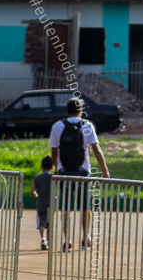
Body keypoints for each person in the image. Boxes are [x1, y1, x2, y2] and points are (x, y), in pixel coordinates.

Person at [49, 97, 110, 251]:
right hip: (83, 172)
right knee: (85, 206)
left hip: (64, 173)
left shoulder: (57, 126)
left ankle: (67, 241)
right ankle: (85, 239)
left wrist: (57, 169)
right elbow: (96, 149)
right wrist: (104, 169)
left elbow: (54, 152)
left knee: (66, 208)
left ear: (67, 110)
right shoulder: (87, 126)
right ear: (80, 111)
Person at [30, 156, 53, 251]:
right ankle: (48, 240)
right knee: (49, 222)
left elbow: (32, 191)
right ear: (52, 167)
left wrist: (37, 197)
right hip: (51, 203)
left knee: (41, 222)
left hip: (41, 203)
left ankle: (42, 238)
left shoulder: (37, 178)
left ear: (41, 166)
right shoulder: (53, 177)